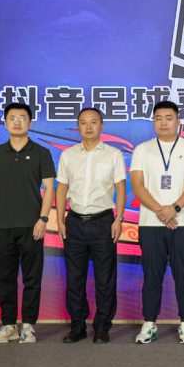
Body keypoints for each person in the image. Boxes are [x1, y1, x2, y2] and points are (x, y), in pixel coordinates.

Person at [129, 101, 184, 344]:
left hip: (183, 222)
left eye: (169, 118)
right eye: (158, 118)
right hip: (150, 223)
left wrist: (174, 209)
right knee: (152, 276)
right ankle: (149, 323)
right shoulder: (142, 149)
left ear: (178, 121)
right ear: (153, 121)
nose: (163, 122)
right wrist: (160, 211)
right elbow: (137, 185)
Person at [0, 102, 55, 344]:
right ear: (5, 123)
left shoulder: (42, 152)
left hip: (32, 226)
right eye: (12, 118)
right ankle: (9, 325)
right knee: (5, 278)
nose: (17, 122)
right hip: (2, 225)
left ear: (30, 123)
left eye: (23, 118)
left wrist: (43, 219)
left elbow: (49, 188)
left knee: (32, 279)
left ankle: (28, 326)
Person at [55, 108, 127, 344]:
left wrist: (119, 218)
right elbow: (61, 189)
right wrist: (59, 220)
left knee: (105, 279)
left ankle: (102, 327)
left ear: (101, 126)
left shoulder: (113, 154)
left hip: (103, 223)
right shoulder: (68, 155)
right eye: (83, 122)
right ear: (78, 126)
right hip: (74, 223)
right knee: (75, 279)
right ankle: (77, 327)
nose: (88, 126)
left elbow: (120, 188)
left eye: (93, 122)